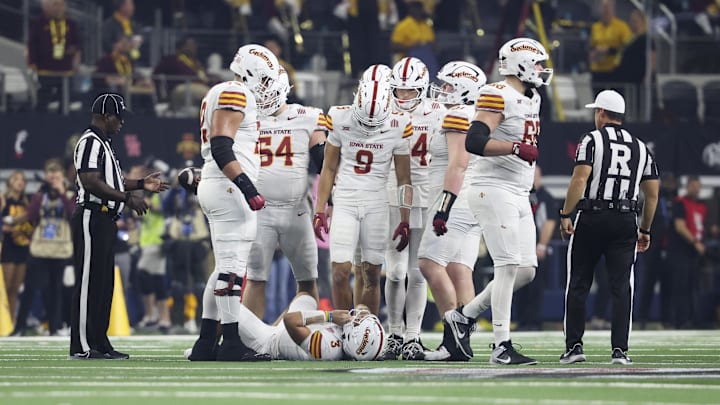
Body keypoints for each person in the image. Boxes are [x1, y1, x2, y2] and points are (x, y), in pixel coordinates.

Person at [436, 38, 551, 365]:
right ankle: (502, 344)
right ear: (522, 63)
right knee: (507, 265)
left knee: (526, 270)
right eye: (539, 63)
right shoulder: (496, 93)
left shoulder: (534, 97)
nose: (542, 70)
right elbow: (475, 140)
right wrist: (513, 148)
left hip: (518, 190)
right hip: (492, 186)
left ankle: (464, 317)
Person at [187, 44, 281, 362]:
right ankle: (230, 342)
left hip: (218, 185)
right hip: (228, 187)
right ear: (251, 73)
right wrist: (246, 186)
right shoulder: (235, 92)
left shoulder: (222, 90)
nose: (267, 88)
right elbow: (222, 146)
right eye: (265, 80)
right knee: (231, 269)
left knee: (222, 269)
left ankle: (204, 342)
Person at [558, 90, 659, 365]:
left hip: (592, 217)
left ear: (601, 112)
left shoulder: (591, 139)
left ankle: (574, 347)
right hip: (625, 220)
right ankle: (620, 351)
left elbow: (580, 180)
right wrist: (645, 229)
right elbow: (651, 194)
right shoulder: (640, 146)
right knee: (621, 287)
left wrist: (566, 213)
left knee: (578, 282)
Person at [69, 93, 168, 359]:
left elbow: (111, 180)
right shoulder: (90, 141)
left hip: (104, 219)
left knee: (103, 285)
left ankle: (100, 342)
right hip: (91, 216)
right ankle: (82, 346)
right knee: (89, 282)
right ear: (105, 116)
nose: (122, 122)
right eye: (119, 116)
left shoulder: (104, 143)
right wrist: (127, 198)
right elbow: (90, 181)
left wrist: (140, 184)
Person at [313, 79, 412, 316]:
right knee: (339, 273)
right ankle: (344, 329)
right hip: (346, 199)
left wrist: (404, 218)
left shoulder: (399, 124)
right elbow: (328, 168)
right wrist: (320, 209)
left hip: (376, 202)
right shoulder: (339, 117)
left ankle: (367, 332)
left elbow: (403, 178)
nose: (368, 127)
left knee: (371, 275)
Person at [243, 69, 327, 319]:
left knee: (308, 280)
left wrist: (328, 202)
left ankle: (284, 331)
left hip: (297, 210)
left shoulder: (307, 116)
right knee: (256, 279)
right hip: (260, 211)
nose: (264, 92)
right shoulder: (246, 118)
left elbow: (323, 163)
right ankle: (251, 340)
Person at [417, 61, 486, 361]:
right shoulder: (478, 116)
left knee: (429, 264)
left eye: (448, 85)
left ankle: (452, 339)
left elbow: (458, 164)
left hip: (456, 198)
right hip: (473, 200)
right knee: (459, 270)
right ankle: (463, 343)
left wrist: (444, 206)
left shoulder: (458, 114)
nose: (442, 90)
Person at [382, 57, 446, 361]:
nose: (403, 97)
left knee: (418, 270)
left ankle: (412, 335)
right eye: (399, 91)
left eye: (410, 92)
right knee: (394, 272)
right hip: (392, 194)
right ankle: (394, 331)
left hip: (428, 193)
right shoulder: (381, 109)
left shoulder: (438, 112)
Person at [183, 295, 385, 361]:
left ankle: (208, 349)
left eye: (359, 322)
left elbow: (291, 320)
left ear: (354, 338)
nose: (357, 318)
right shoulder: (354, 345)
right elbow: (362, 308)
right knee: (306, 296)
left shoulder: (327, 348)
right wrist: (362, 314)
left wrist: (330, 316)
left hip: (268, 342)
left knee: (223, 301)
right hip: (280, 332)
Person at [11, 159, 74, 337]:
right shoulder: (41, 195)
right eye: (50, 176)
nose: (53, 180)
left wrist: (62, 192)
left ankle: (54, 327)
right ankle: (20, 327)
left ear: (62, 178)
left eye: (57, 176)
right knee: (30, 287)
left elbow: (72, 214)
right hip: (40, 247)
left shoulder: (70, 195)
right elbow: (31, 216)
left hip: (60, 248)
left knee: (56, 289)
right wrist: (41, 194)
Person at [514, 165, 558, 331]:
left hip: (534, 248)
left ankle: (534, 320)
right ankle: (522, 320)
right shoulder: (520, 194)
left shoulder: (544, 196)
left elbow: (549, 221)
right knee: (519, 287)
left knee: (535, 286)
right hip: (518, 248)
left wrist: (541, 245)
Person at [27, 0, 81, 112]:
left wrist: (76, 60)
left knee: (65, 102)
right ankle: (39, 124)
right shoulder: (38, 23)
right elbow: (31, 45)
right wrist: (32, 64)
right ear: (46, 7)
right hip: (45, 71)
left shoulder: (71, 23)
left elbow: (77, 45)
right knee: (42, 102)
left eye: (61, 4)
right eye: (55, 4)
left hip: (66, 72)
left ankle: (64, 125)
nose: (59, 8)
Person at [668, 176, 706, 329]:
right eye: (693, 186)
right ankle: (680, 320)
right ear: (688, 186)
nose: (696, 189)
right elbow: (680, 227)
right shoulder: (680, 203)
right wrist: (695, 243)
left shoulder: (701, 206)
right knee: (681, 286)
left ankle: (692, 319)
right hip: (681, 251)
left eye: (698, 186)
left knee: (693, 286)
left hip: (693, 253)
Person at [1, 171, 32, 325]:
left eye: (23, 180)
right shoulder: (4, 200)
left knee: (15, 289)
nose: (20, 182)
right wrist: (7, 228)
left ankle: (10, 322)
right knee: (5, 287)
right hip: (8, 247)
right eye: (16, 179)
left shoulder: (26, 203)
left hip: (23, 246)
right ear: (10, 182)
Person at [152, 37, 210, 111]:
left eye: (194, 45)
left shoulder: (196, 62)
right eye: (190, 45)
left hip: (198, 86)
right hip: (180, 87)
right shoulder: (172, 59)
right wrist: (161, 95)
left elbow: (203, 76)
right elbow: (156, 74)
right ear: (182, 47)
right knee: (208, 93)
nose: (194, 47)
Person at [589, 0, 632, 95]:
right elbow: (591, 46)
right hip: (598, 70)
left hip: (614, 71)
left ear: (613, 9)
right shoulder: (595, 27)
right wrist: (594, 53)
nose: (605, 11)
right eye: (603, 8)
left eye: (608, 8)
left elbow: (627, 48)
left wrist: (608, 50)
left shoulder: (622, 27)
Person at [390, 1, 438, 78]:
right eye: (416, 9)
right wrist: (411, 47)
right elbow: (393, 47)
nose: (419, 12)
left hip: (427, 64)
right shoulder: (403, 25)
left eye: (420, 9)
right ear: (411, 10)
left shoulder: (426, 25)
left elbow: (433, 44)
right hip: (408, 65)